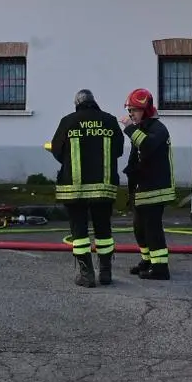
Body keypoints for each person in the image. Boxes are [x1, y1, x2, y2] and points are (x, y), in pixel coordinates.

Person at [48, 89, 125, 287]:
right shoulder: (109, 120)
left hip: (75, 189)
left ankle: (86, 274)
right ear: (94, 102)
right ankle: (106, 273)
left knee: (79, 230)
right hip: (103, 188)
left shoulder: (68, 121)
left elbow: (57, 150)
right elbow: (118, 150)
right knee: (103, 229)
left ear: (77, 104)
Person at [122, 88, 174, 280]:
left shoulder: (158, 129)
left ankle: (160, 268)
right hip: (142, 188)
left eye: (134, 110)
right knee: (139, 227)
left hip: (156, 189)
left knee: (152, 228)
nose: (131, 114)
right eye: (130, 110)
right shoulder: (143, 128)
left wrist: (129, 128)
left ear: (146, 110)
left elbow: (147, 146)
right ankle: (148, 260)